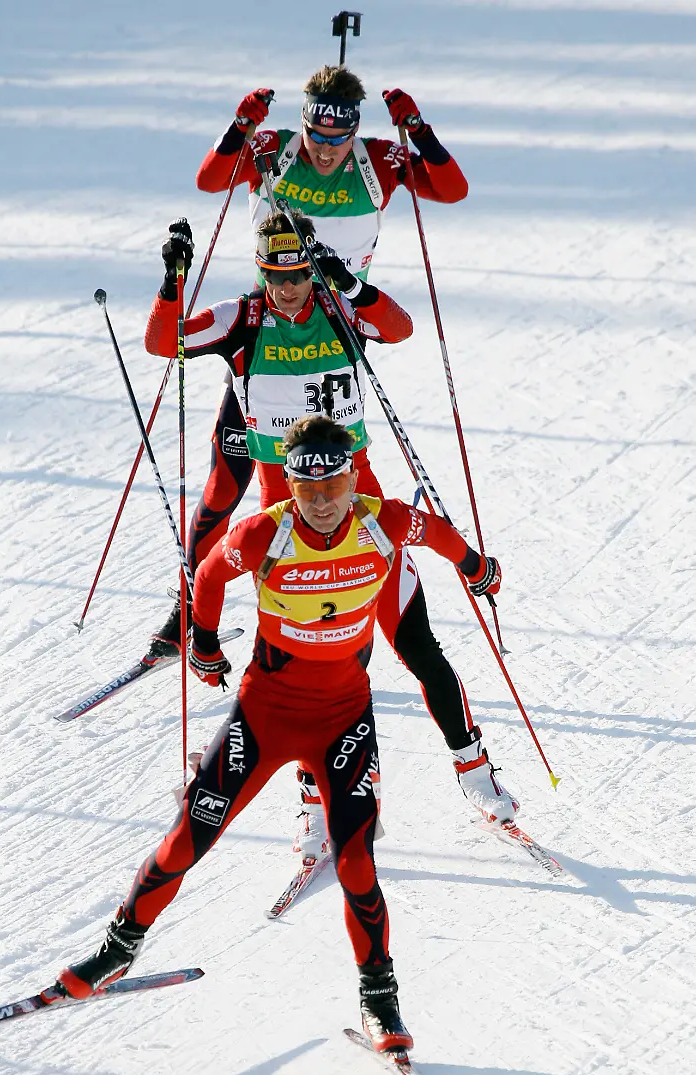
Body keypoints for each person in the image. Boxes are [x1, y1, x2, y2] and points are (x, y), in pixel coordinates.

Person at [55, 416, 502, 1053]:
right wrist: (204, 648)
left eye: (334, 485)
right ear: (289, 485)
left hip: (343, 718)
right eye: (306, 489)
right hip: (263, 714)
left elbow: (441, 536)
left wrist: (478, 566)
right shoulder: (268, 532)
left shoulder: (387, 520)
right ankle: (116, 952)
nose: (321, 503)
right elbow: (208, 575)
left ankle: (381, 1004)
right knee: (185, 841)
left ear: (353, 476)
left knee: (355, 863)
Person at [145, 212, 520, 859]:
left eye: (298, 276)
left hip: (365, 517)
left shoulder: (340, 309)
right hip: (287, 528)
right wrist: (174, 280)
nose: (289, 289)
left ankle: (475, 771)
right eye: (277, 277)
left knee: (419, 647)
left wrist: (354, 286)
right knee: (317, 671)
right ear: (261, 271)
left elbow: (399, 328)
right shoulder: (244, 321)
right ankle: (316, 805)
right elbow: (163, 342)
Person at [163, 64, 468, 666]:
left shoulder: (376, 159)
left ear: (355, 131)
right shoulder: (273, 152)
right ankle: (186, 609)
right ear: (301, 122)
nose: (327, 151)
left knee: (333, 478)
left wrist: (417, 128)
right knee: (227, 483)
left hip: (340, 323)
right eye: (316, 136)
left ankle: (350, 622)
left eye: (339, 139)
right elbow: (208, 182)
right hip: (265, 330)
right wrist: (238, 127)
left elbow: (451, 189)